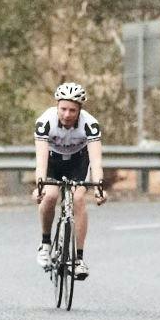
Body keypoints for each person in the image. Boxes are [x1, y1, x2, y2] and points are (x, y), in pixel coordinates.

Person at [33, 82, 106, 278]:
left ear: (79, 110)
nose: (66, 114)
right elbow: (41, 159)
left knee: (79, 198)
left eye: (72, 110)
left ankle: (78, 259)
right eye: (63, 109)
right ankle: (45, 244)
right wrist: (39, 185)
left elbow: (96, 162)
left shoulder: (90, 125)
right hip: (53, 161)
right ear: (57, 106)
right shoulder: (45, 121)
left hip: (78, 162)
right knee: (50, 196)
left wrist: (99, 188)